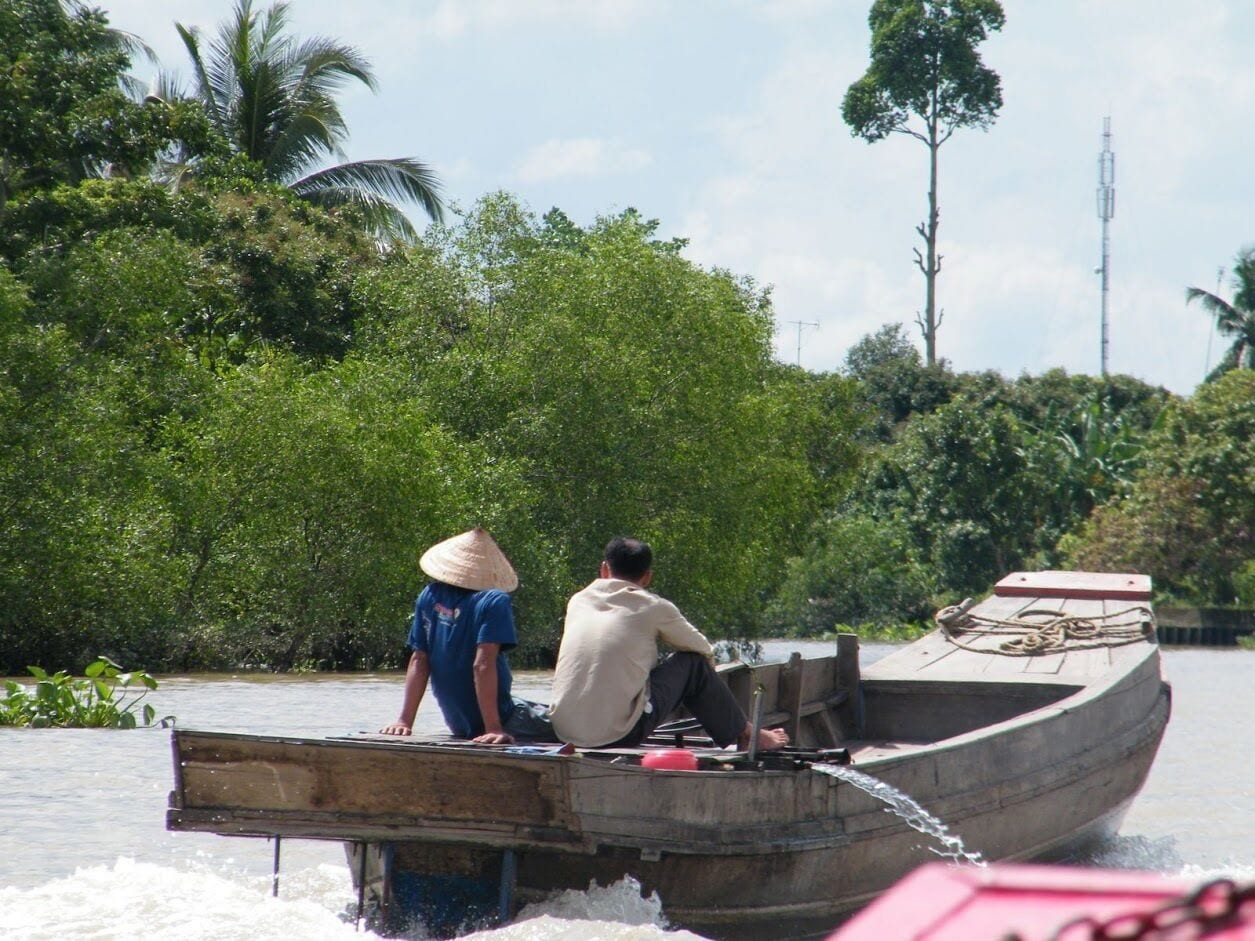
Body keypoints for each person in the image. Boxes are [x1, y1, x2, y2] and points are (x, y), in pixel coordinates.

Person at [548, 536, 789, 752]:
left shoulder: (577, 601)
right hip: (618, 736)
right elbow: (702, 649)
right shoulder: (653, 606)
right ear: (647, 577)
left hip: (564, 732)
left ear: (604, 570)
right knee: (693, 664)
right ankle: (746, 733)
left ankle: (743, 730)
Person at [380, 527, 552, 744]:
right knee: (577, 723)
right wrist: (494, 728)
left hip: (460, 724)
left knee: (543, 709)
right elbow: (482, 665)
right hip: (507, 718)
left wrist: (404, 721)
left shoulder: (431, 595)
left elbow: (419, 660)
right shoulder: (494, 601)